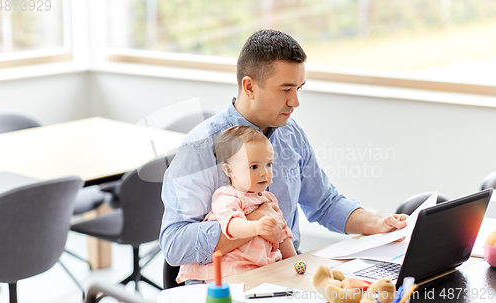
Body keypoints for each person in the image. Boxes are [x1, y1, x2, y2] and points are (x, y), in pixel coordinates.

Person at [160, 29, 407, 269]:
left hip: (284, 271)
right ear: (249, 87)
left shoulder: (291, 133)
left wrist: (377, 224)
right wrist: (255, 220)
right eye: (286, 89)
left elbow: (324, 203)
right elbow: (174, 245)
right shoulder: (200, 147)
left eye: (298, 89)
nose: (295, 102)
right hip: (225, 284)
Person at [176, 125, 297, 284]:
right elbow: (232, 226)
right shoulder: (226, 197)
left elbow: (282, 235)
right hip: (225, 270)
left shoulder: (269, 199)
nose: (264, 173)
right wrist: (256, 227)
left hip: (257, 269)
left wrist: (295, 263)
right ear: (229, 171)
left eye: (268, 164)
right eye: (254, 167)